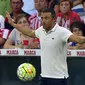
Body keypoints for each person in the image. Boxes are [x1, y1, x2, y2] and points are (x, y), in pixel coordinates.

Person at [6, 8, 85, 85]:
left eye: (46, 18)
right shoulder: (41, 30)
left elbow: (79, 39)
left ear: (54, 19)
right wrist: (13, 24)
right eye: (42, 18)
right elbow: (29, 32)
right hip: (43, 77)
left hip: (58, 78)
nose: (43, 21)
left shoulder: (62, 32)